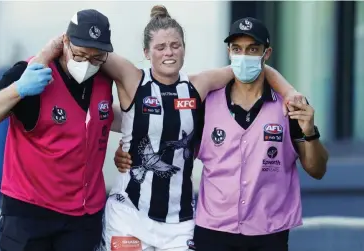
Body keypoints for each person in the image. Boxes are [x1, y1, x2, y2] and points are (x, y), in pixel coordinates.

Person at [31, 6, 305, 251]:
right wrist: (43, 57)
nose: (169, 52)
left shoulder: (199, 84)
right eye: (161, 47)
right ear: (146, 52)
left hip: (180, 221)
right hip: (130, 214)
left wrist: (290, 92)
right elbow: (84, 44)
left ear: (184, 48)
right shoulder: (132, 78)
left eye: (175, 45)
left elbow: (255, 67)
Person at [115, 16, 329, 251]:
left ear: (266, 54)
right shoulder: (206, 102)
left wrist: (310, 133)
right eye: (237, 49)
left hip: (269, 231)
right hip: (213, 231)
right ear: (229, 51)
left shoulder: (289, 106)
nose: (244, 56)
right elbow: (171, 139)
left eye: (252, 49)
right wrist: (127, 151)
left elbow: (317, 170)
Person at [0, 9, 122, 251]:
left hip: (82, 217)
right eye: (80, 56)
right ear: (66, 43)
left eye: (96, 58)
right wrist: (18, 89)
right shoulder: (30, 71)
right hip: (30, 213)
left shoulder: (104, 77)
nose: (88, 64)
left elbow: (104, 117)